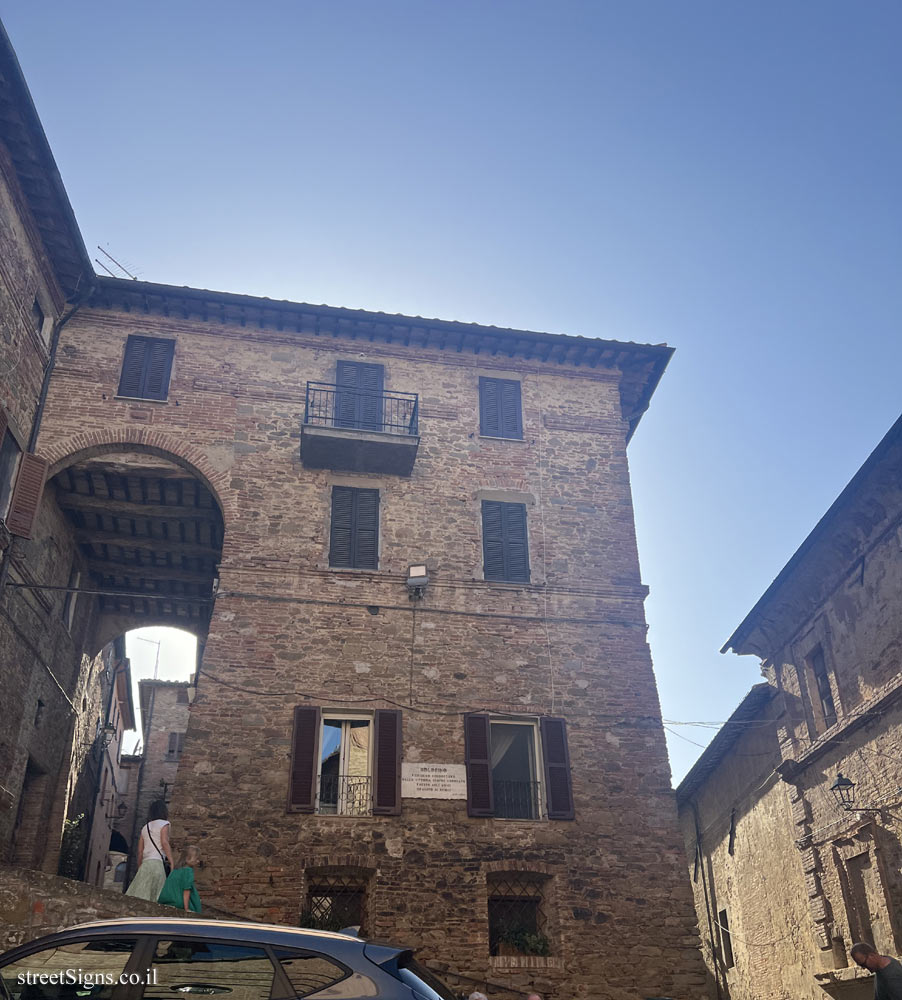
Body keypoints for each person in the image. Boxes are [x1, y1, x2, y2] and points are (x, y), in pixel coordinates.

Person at [125, 800, 175, 902]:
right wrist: (171, 861)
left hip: (145, 865)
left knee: (138, 896)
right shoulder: (164, 824)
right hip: (157, 864)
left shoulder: (145, 828)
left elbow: (140, 851)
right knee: (156, 896)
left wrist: (140, 867)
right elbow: (164, 842)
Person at [158, 845, 202, 913]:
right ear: (188, 858)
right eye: (196, 859)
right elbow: (186, 890)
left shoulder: (176, 870)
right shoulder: (188, 871)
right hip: (179, 902)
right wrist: (186, 908)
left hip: (168, 901)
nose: (198, 861)